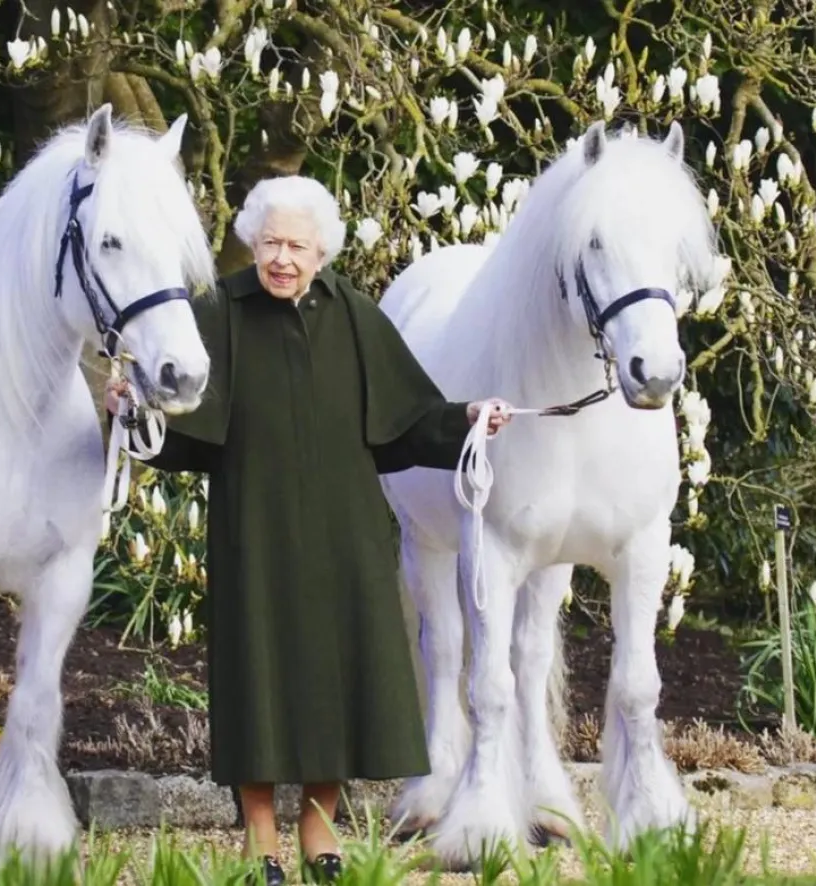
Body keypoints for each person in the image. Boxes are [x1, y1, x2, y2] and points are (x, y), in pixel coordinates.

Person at [105, 175, 512, 884]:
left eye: (296, 245)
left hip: (344, 533)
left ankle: (318, 830)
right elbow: (180, 433)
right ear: (251, 245)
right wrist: (129, 412)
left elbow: (408, 421)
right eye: (269, 244)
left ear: (322, 251)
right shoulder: (219, 313)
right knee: (256, 679)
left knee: (338, 679)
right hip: (252, 532)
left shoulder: (354, 314)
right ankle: (260, 837)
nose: (282, 258)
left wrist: (470, 418)